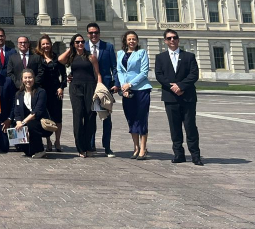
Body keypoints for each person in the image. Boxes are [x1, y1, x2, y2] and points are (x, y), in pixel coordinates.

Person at [155, 30, 202, 165]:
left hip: (187, 96)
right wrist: (172, 87)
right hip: (170, 97)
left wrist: (181, 86)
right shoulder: (160, 57)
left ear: (178, 40)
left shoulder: (189, 56)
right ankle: (179, 154)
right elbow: (159, 75)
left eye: (174, 38)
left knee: (190, 126)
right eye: (169, 38)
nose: (172, 40)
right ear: (165, 41)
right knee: (174, 127)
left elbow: (194, 74)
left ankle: (195, 155)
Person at [59, 33, 103, 157]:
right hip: (75, 87)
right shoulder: (71, 57)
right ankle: (80, 148)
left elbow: (97, 73)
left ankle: (88, 146)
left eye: (82, 42)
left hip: (90, 86)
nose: (80, 44)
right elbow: (60, 59)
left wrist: (99, 88)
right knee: (77, 117)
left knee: (90, 116)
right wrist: (70, 49)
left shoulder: (91, 57)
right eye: (77, 42)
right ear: (73, 44)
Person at [117, 30, 153, 160]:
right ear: (125, 41)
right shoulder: (120, 53)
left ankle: (143, 148)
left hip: (141, 89)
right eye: (129, 39)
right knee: (131, 118)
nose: (132, 41)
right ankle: (136, 147)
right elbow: (119, 71)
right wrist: (123, 86)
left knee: (141, 118)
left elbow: (144, 72)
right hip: (127, 90)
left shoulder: (141, 53)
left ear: (137, 41)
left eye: (134, 39)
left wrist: (130, 84)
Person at [85, 23, 119, 157]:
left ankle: (107, 147)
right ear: (87, 34)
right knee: (90, 116)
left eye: (96, 32)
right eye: (91, 33)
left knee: (106, 118)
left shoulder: (108, 47)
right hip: (88, 86)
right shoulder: (83, 46)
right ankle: (91, 145)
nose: (94, 35)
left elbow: (114, 67)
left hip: (105, 86)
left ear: (99, 33)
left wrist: (116, 83)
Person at [36, 35, 67, 152]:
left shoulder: (57, 58)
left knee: (57, 117)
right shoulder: (38, 58)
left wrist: (61, 87)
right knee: (45, 117)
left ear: (51, 44)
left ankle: (57, 141)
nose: (45, 46)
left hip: (55, 91)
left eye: (47, 43)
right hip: (42, 91)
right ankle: (48, 140)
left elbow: (64, 75)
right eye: (43, 44)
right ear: (40, 46)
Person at [12, 68, 52, 158]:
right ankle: (30, 148)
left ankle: (40, 150)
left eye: (30, 77)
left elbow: (37, 111)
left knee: (31, 125)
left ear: (34, 78)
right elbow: (17, 111)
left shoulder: (41, 92)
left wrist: (23, 123)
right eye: (25, 78)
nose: (28, 80)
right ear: (22, 79)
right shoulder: (18, 94)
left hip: (40, 123)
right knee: (27, 152)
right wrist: (18, 122)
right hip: (25, 122)